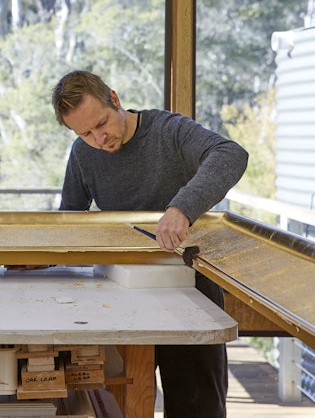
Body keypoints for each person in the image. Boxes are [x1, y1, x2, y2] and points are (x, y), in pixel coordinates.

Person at [51, 70, 248, 418]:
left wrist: (181, 208)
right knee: (122, 403)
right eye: (86, 133)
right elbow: (70, 221)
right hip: (121, 293)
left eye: (102, 123)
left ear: (115, 99)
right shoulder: (83, 153)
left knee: (197, 407)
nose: (100, 138)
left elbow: (231, 154)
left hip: (191, 290)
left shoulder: (168, 131)